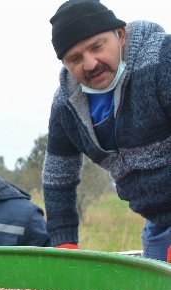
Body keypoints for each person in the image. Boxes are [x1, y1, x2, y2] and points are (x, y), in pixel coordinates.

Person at [43, 0, 171, 261]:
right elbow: (58, 176)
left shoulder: (162, 60)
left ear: (120, 35)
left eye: (97, 47)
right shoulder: (66, 104)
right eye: (75, 59)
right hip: (158, 223)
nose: (90, 64)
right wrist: (64, 243)